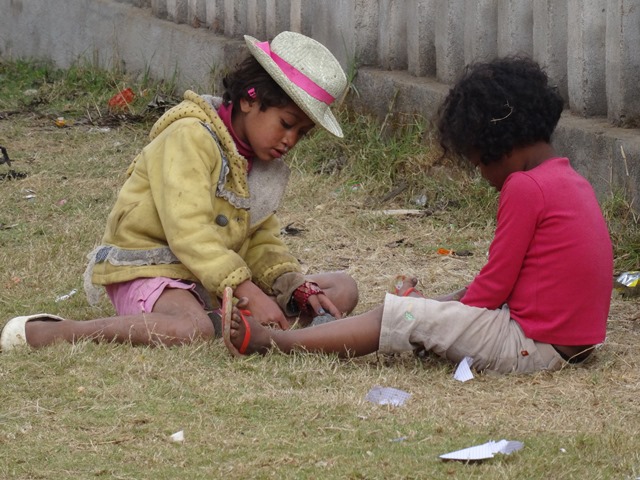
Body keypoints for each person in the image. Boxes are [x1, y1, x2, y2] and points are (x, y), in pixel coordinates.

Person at [221, 56, 614, 374]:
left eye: (478, 162)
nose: (483, 175)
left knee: (399, 317)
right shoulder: (569, 180)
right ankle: (405, 311)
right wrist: (436, 306)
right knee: (413, 311)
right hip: (570, 344)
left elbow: (492, 289)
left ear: (496, 144)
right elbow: (503, 289)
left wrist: (422, 314)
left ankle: (274, 342)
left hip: (532, 346)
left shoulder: (524, 188)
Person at [0, 31, 359, 352]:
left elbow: (260, 239)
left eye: (301, 133)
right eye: (286, 124)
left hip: (210, 277)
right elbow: (188, 231)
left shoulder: (259, 163)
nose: (290, 140)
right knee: (191, 329)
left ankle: (232, 322)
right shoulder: (189, 136)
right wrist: (247, 290)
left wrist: (292, 286)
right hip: (152, 269)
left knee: (342, 289)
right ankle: (60, 332)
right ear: (250, 99)